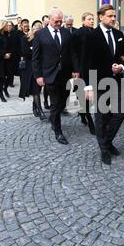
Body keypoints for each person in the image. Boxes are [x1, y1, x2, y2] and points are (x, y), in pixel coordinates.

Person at [83, 5, 124, 165]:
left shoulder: (119, 34)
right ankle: (104, 149)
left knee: (119, 114)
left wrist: (121, 66)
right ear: (101, 17)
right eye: (110, 16)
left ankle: (106, 143)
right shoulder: (92, 36)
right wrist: (88, 87)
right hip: (98, 83)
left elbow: (122, 57)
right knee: (101, 118)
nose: (113, 19)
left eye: (114, 16)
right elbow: (86, 61)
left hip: (116, 81)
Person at [32, 8, 77, 145]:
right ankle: (58, 131)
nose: (58, 23)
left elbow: (72, 53)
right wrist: (38, 76)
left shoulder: (66, 33)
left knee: (63, 101)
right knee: (56, 103)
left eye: (60, 21)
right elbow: (36, 58)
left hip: (65, 73)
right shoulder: (40, 34)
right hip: (49, 74)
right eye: (56, 21)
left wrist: (76, 69)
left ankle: (53, 117)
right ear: (50, 20)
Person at [71, 12, 96, 134]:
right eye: (89, 19)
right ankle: (90, 120)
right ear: (83, 20)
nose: (92, 21)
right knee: (84, 96)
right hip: (81, 69)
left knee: (91, 97)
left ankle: (83, 113)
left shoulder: (95, 33)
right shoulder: (78, 33)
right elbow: (74, 53)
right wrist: (76, 70)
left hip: (94, 69)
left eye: (93, 19)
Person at [19, 20, 46, 121]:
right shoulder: (25, 38)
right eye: (36, 28)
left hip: (40, 67)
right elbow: (25, 52)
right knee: (35, 89)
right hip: (30, 68)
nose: (37, 30)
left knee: (38, 89)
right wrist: (35, 52)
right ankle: (40, 110)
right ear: (32, 28)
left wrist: (34, 51)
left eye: (40, 28)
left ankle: (35, 106)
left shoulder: (42, 39)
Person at [0, 20, 15, 102]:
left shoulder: (7, 34)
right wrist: (3, 54)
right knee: (1, 77)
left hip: (8, 58)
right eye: (6, 25)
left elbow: (11, 45)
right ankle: (1, 93)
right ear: (2, 26)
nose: (7, 27)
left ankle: (5, 89)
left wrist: (9, 53)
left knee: (9, 76)